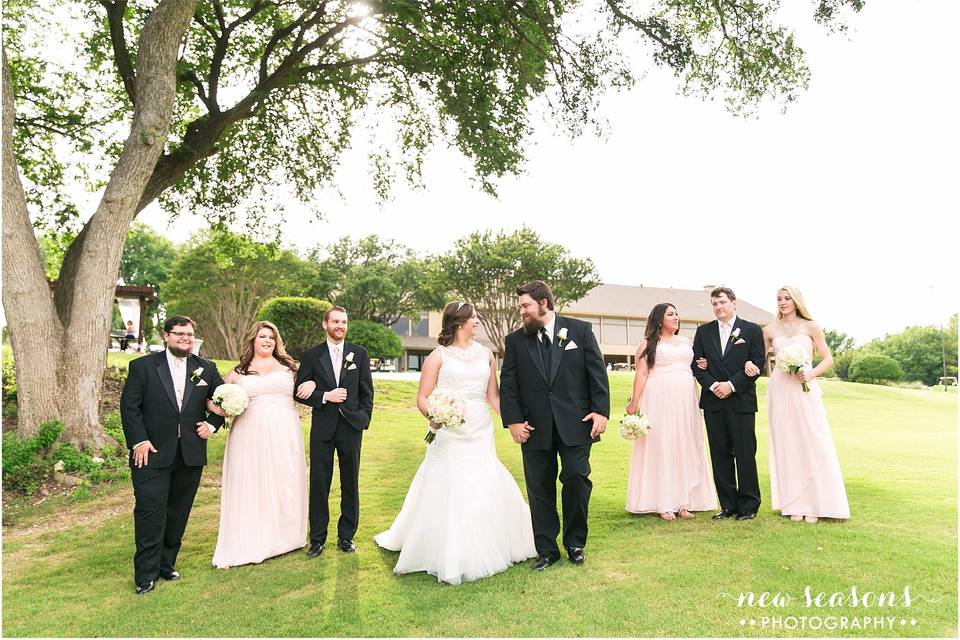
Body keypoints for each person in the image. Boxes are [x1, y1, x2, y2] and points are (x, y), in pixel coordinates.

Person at [374, 302, 537, 584]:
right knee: (449, 484)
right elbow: (423, 397)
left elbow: (493, 397)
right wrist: (436, 416)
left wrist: (512, 421)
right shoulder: (437, 357)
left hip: (480, 429)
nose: (477, 322)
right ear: (460, 322)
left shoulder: (486, 354)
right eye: (473, 318)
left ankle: (492, 540)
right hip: (449, 432)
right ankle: (447, 548)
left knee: (483, 480)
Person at [500, 280, 610, 570]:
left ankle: (575, 543)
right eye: (520, 307)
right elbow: (508, 384)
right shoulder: (515, 341)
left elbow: (596, 373)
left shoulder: (580, 331)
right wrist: (512, 421)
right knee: (539, 488)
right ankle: (547, 550)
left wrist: (601, 411)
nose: (522, 311)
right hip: (533, 427)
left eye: (525, 306)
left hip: (577, 423)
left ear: (543, 304)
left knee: (576, 478)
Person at [120, 316, 225, 595]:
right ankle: (145, 574)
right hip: (151, 453)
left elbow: (224, 401)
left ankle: (167, 565)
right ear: (166, 336)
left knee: (178, 513)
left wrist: (212, 425)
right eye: (179, 333)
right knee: (150, 512)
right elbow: (130, 407)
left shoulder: (206, 368)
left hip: (189, 453)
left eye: (190, 334)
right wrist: (139, 440)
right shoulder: (142, 367)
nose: (185, 338)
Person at [747, 286, 850, 523]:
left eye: (787, 298)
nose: (783, 302)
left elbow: (828, 359)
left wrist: (811, 374)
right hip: (780, 389)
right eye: (779, 299)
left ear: (796, 301)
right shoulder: (769, 330)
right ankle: (794, 502)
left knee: (812, 439)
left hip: (804, 388)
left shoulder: (811, 326)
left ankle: (816, 502)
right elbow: (757, 359)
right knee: (787, 442)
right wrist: (747, 366)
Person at [209, 321, 307, 567]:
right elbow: (214, 399)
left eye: (271, 337)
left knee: (282, 479)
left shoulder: (289, 367)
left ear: (277, 342)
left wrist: (313, 384)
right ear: (253, 339)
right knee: (251, 481)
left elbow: (308, 387)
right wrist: (222, 409)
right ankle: (252, 536)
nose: (267, 341)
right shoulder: (238, 371)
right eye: (262, 336)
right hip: (248, 433)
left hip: (284, 430)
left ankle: (284, 536)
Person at [294, 307, 374, 556]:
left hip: (351, 427)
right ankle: (317, 539)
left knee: (350, 481)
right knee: (319, 483)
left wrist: (363, 419)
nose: (340, 326)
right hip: (323, 427)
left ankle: (346, 536)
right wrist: (325, 396)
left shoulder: (359, 354)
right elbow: (299, 391)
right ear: (325, 324)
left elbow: (367, 391)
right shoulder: (311, 355)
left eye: (344, 322)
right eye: (335, 321)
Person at [625, 303, 716, 519]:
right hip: (659, 399)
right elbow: (642, 373)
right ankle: (663, 502)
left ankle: (683, 501)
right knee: (662, 445)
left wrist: (703, 365)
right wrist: (634, 402)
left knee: (685, 444)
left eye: (676, 313)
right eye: (670, 314)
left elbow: (695, 367)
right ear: (659, 319)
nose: (676, 317)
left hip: (686, 400)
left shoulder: (686, 342)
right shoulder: (647, 344)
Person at [690, 287, 765, 521]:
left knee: (744, 453)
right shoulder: (703, 332)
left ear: (734, 303)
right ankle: (728, 505)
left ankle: (749, 505)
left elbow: (758, 364)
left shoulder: (752, 331)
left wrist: (731, 386)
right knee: (719, 454)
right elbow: (696, 365)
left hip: (741, 401)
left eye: (722, 302)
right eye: (714, 303)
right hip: (713, 402)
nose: (718, 307)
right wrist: (714, 386)